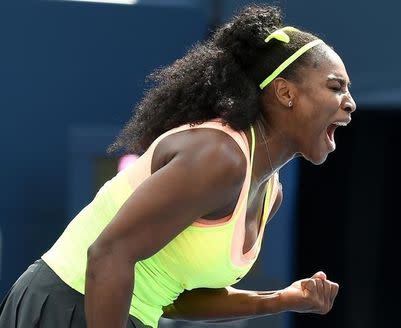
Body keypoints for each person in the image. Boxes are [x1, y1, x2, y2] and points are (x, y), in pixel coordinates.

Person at [0, 4, 356, 328]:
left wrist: (281, 299)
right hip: (70, 303)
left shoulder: (269, 192)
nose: (350, 104)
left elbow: (172, 298)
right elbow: (108, 254)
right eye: (336, 87)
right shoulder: (219, 156)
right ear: (285, 93)